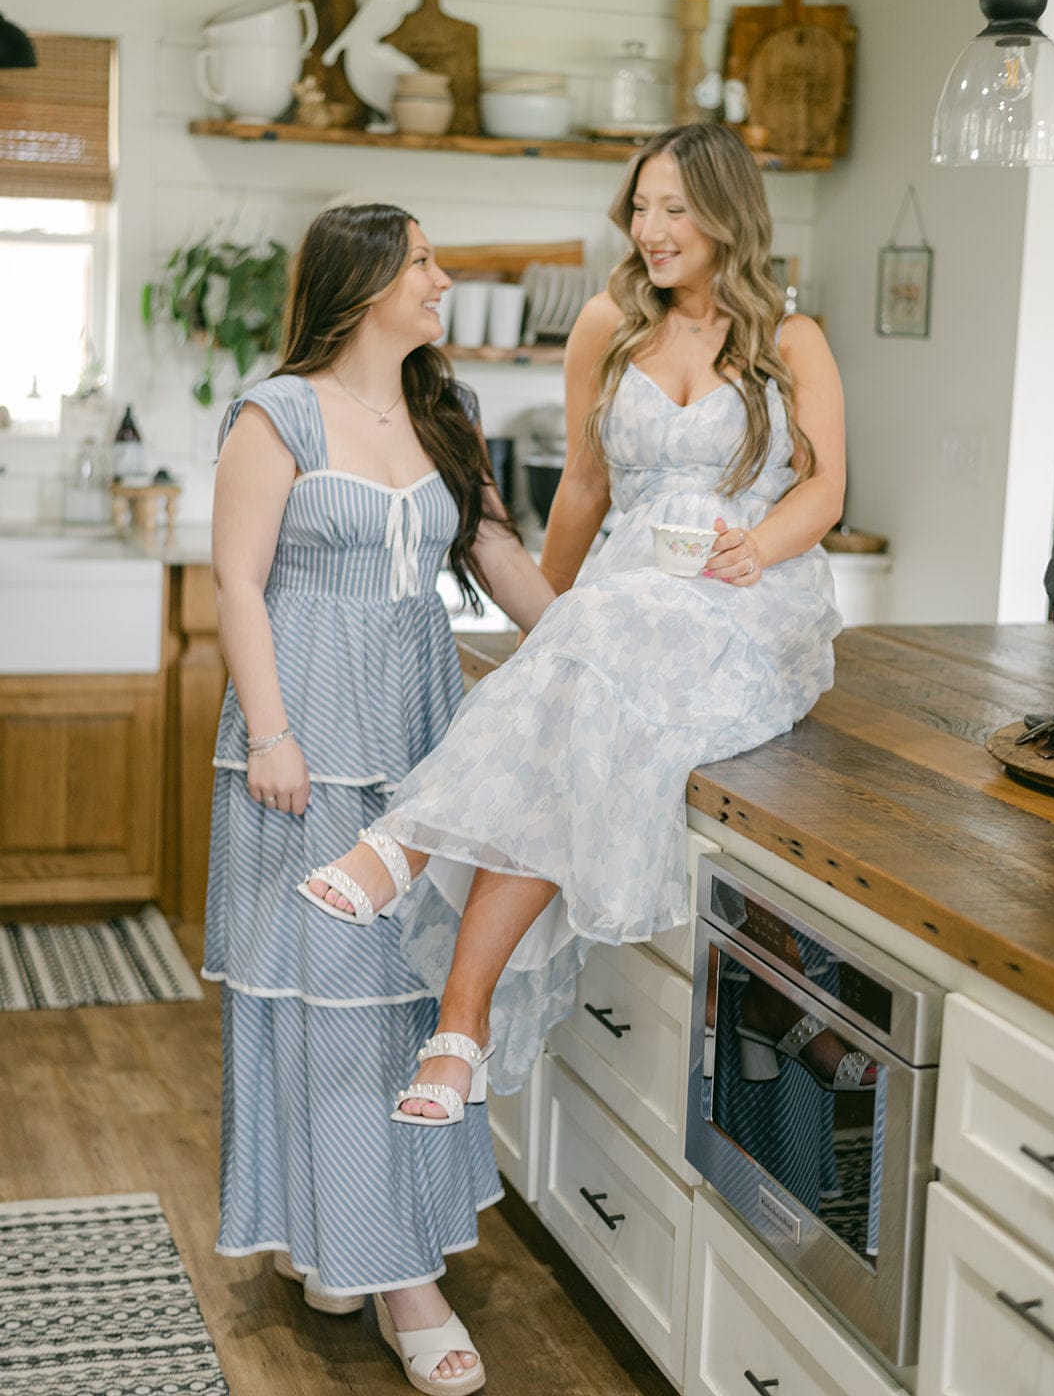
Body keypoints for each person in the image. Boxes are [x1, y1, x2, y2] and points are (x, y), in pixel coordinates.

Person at [299, 122, 846, 1121]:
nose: (651, 229)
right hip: (626, 599)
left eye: (675, 209)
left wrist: (758, 548)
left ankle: (408, 859)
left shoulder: (792, 339)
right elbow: (586, 487)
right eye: (640, 207)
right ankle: (460, 1033)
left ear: (729, 215)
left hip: (750, 602)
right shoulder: (608, 323)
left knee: (580, 670)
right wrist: (544, 637)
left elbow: (825, 489)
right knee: (558, 719)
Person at [203, 202, 556, 1390]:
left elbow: (499, 559)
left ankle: (350, 1239)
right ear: (361, 286)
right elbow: (239, 585)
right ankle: (402, 1277)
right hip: (302, 744)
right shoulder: (279, 413)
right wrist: (271, 734)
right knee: (326, 1001)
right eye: (422, 264)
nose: (443, 279)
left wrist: (591, 652)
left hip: (420, 743)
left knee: (407, 1001)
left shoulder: (445, 412)